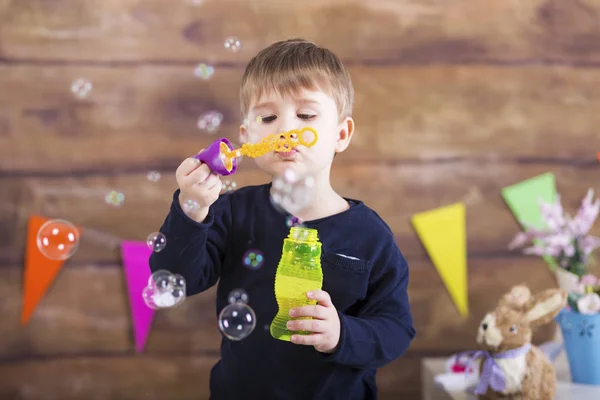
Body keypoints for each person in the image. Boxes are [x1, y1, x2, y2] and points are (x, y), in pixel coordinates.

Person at [150, 38, 415, 400]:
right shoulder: (230, 213)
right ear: (246, 136)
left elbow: (396, 328)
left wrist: (342, 334)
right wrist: (193, 207)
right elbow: (175, 278)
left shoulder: (369, 235)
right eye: (268, 117)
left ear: (341, 134)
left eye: (305, 115)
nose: (285, 131)